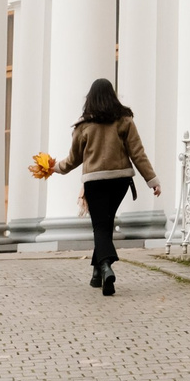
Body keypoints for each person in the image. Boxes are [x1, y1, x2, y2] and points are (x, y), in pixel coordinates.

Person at [41, 77, 158, 296]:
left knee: (100, 226)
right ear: (113, 96)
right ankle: (97, 274)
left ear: (91, 99)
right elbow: (137, 153)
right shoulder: (125, 121)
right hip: (120, 182)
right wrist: (152, 180)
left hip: (94, 182)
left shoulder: (83, 126)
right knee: (106, 223)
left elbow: (73, 159)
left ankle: (106, 266)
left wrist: (54, 168)